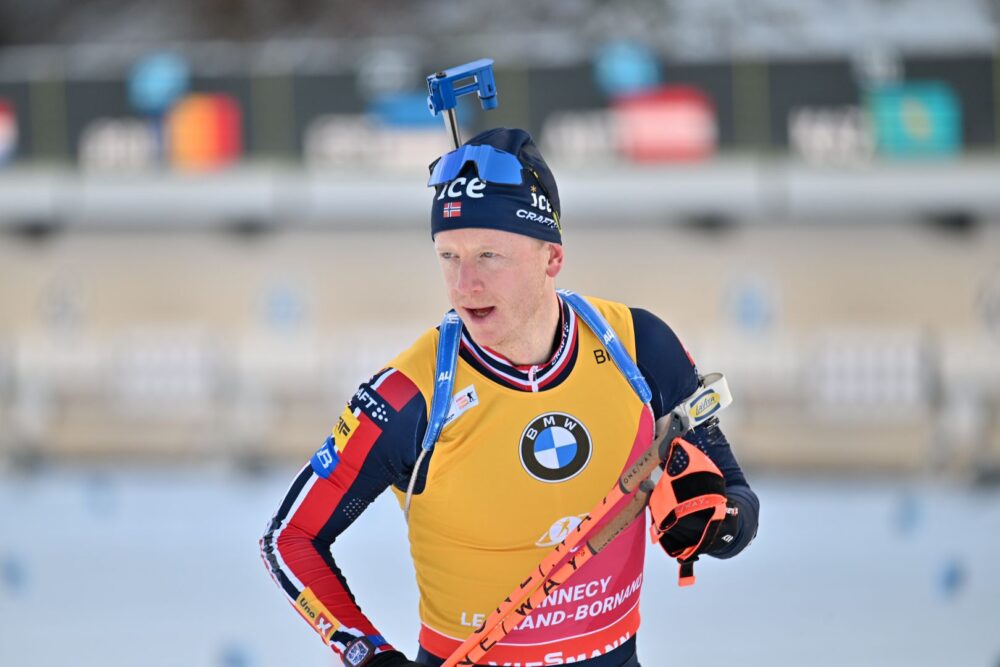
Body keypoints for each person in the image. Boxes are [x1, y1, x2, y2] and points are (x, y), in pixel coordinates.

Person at [260, 128, 759, 667]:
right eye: (448, 255)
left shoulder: (638, 348)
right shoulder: (412, 395)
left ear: (552, 257)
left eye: (490, 255)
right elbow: (290, 538)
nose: (464, 283)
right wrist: (369, 655)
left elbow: (735, 497)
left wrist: (716, 523)